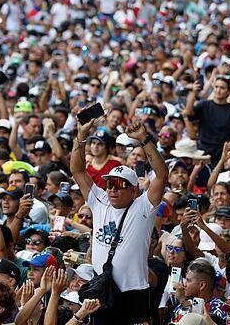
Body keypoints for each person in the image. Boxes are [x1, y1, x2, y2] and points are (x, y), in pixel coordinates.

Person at [70, 115, 167, 324]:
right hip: (102, 288)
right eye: (109, 183)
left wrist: (143, 138)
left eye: (120, 185)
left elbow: (161, 175)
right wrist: (81, 134)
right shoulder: (100, 200)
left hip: (133, 294)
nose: (112, 189)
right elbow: (77, 170)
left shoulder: (143, 207)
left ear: (134, 190)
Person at [184, 75, 230, 164]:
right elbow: (188, 113)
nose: (218, 90)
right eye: (216, 87)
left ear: (228, 91)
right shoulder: (204, 105)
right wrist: (194, 94)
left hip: (221, 155)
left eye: (222, 88)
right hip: (201, 153)